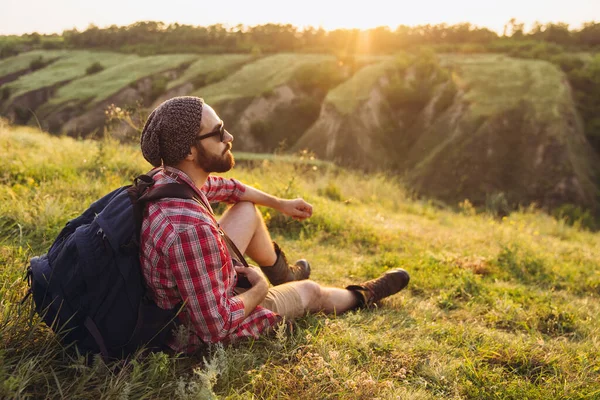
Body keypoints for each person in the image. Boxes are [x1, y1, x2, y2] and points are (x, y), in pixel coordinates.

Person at [139, 96, 410, 353]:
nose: (229, 138)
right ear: (189, 151)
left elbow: (232, 189)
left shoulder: (165, 180)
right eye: (219, 132)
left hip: (194, 285)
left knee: (246, 209)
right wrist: (259, 288)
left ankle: (286, 277)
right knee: (311, 291)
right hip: (195, 326)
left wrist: (281, 203)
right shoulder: (191, 229)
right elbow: (215, 328)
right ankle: (364, 295)